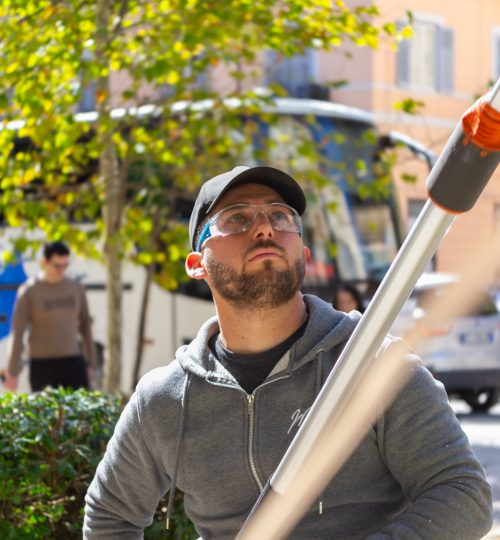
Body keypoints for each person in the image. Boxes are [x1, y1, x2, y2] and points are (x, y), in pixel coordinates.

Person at [83, 166, 493, 539]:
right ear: (197, 264)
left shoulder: (373, 366)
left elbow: (463, 494)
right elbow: (109, 517)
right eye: (237, 219)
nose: (264, 228)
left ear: (303, 255)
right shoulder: (164, 400)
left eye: (280, 218)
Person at [4, 241, 97, 392]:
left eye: (65, 266)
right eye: (57, 266)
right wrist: (13, 372)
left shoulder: (76, 288)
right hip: (42, 365)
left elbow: (86, 326)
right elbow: (18, 332)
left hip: (73, 362)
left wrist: (91, 363)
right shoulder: (29, 291)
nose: (61, 270)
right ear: (44, 262)